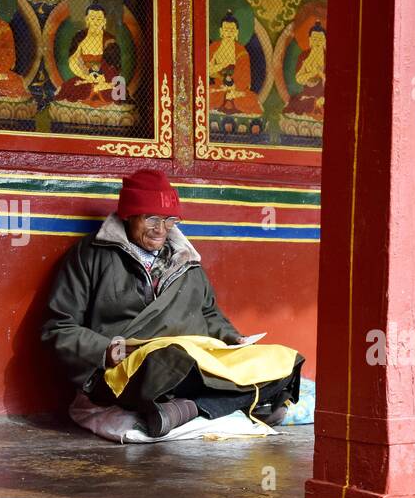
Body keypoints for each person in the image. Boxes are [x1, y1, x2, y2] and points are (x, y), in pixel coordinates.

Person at [41, 169, 302, 437]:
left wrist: (233, 339)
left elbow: (208, 313)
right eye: (151, 218)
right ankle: (234, 403)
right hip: (130, 369)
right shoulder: (90, 256)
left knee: (282, 359)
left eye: (169, 220)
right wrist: (107, 350)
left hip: (192, 363)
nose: (160, 229)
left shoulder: (185, 260)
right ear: (128, 215)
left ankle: (184, 408)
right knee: (169, 362)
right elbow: (58, 328)